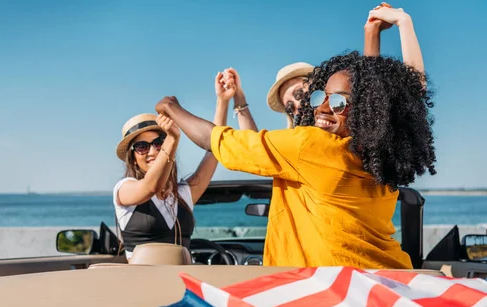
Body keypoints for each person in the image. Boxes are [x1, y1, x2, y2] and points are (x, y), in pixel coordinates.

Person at [155, 51, 437, 270]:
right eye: (319, 98)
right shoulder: (382, 155)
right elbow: (258, 149)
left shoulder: (311, 146)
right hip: (388, 277)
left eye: (337, 102)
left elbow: (222, 142)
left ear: (368, 107)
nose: (320, 107)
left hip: (334, 289)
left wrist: (171, 106)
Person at [220, 3, 424, 130]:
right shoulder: (295, 147)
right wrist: (237, 100)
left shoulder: (356, 129)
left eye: (300, 94)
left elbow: (410, 94)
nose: (297, 106)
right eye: (290, 107)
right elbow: (254, 148)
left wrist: (402, 23)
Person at [113, 71, 234, 260]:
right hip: (140, 286)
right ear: (132, 157)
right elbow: (151, 187)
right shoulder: (124, 190)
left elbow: (214, 151)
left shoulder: (183, 195)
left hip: (181, 285)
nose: (152, 151)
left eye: (158, 142)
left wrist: (223, 101)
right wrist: (171, 139)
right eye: (142, 146)